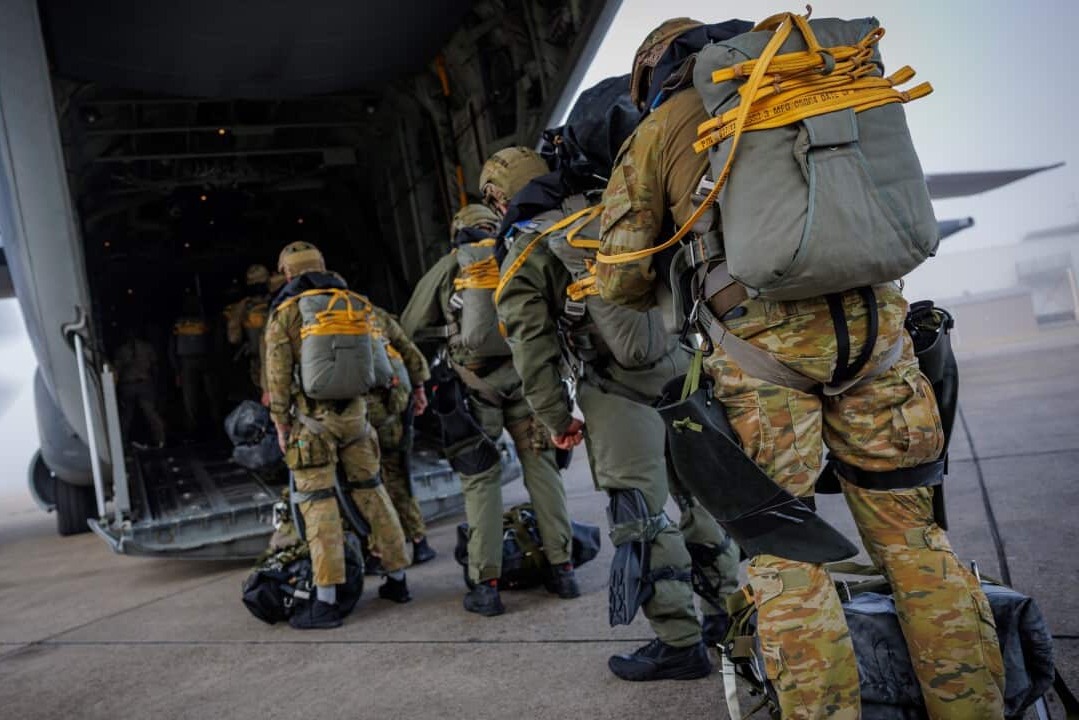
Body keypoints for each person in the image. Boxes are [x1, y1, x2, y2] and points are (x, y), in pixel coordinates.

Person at [595, 18, 1005, 717]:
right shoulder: (823, 80)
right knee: (913, 539)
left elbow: (619, 279)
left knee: (786, 553)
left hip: (764, 359)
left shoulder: (662, 128)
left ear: (654, 72)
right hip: (880, 339)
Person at [492, 138, 739, 681]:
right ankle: (730, 618)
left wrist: (557, 418)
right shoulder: (613, 209)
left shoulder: (527, 247)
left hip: (619, 392)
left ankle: (679, 642)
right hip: (684, 369)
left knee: (642, 516)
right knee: (701, 498)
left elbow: (531, 347)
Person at [401, 194, 577, 617]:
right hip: (527, 383)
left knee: (481, 483)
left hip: (475, 388)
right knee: (544, 473)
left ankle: (486, 584)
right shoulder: (515, 255)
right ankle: (563, 570)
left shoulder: (451, 266)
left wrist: (449, 330)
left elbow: (409, 326)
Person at [266, 241, 413, 629]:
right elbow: (382, 369)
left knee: (319, 505)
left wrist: (281, 425)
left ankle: (327, 600)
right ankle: (398, 579)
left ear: (287, 273)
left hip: (311, 426)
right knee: (373, 491)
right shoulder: (356, 303)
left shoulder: (286, 314)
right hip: (358, 420)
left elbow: (277, 379)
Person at [367, 310, 436, 565]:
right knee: (397, 475)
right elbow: (407, 349)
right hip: (390, 408)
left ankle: (376, 552)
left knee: (365, 485)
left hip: (353, 415)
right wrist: (419, 388)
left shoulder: (314, 318)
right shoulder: (371, 312)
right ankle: (419, 542)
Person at [170, 294, 222, 438]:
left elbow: (214, 342)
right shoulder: (180, 323)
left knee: (210, 394)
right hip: (188, 361)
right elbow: (172, 347)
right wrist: (176, 369)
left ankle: (215, 424)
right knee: (191, 398)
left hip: (203, 359)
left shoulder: (204, 321)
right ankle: (193, 428)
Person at [224, 263, 272, 396]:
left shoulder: (245, 306)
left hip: (269, 359)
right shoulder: (244, 307)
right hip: (261, 360)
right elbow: (233, 337)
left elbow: (233, 337)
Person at [113, 328, 166, 449]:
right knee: (150, 413)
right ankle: (161, 440)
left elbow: (116, 370)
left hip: (129, 385)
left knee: (127, 415)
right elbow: (155, 366)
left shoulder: (121, 350)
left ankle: (122, 443)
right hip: (143, 384)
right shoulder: (147, 347)